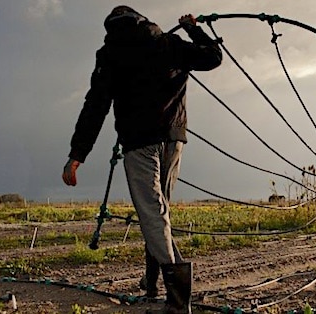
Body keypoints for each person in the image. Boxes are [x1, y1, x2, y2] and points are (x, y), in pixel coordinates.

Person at [62, 5, 222, 313]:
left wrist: (77, 155)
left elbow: (95, 106)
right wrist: (193, 28)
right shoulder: (167, 43)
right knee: (160, 214)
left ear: (110, 29)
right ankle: (154, 286)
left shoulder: (110, 56)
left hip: (139, 144)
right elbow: (213, 57)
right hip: (174, 140)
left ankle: (177, 300)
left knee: (153, 214)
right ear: (142, 22)